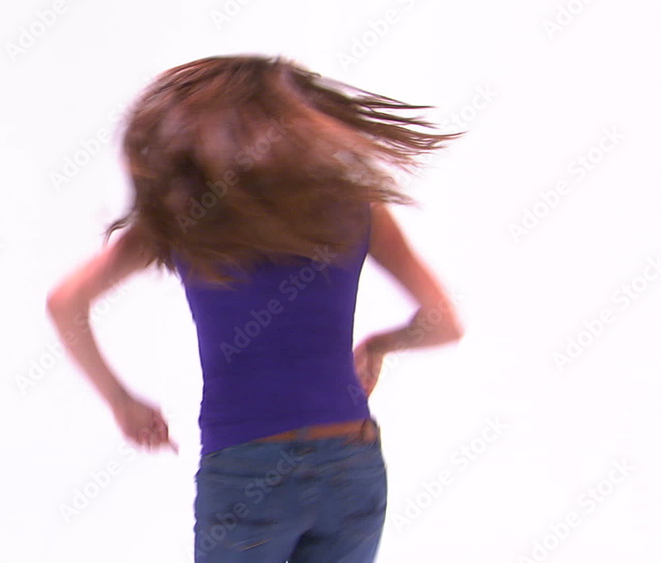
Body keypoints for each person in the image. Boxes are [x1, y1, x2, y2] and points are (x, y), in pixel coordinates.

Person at [46, 54, 465, 562]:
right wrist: (380, 346)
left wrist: (122, 401)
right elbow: (445, 323)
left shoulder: (183, 220)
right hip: (352, 462)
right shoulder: (356, 207)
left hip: (248, 467)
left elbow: (65, 302)